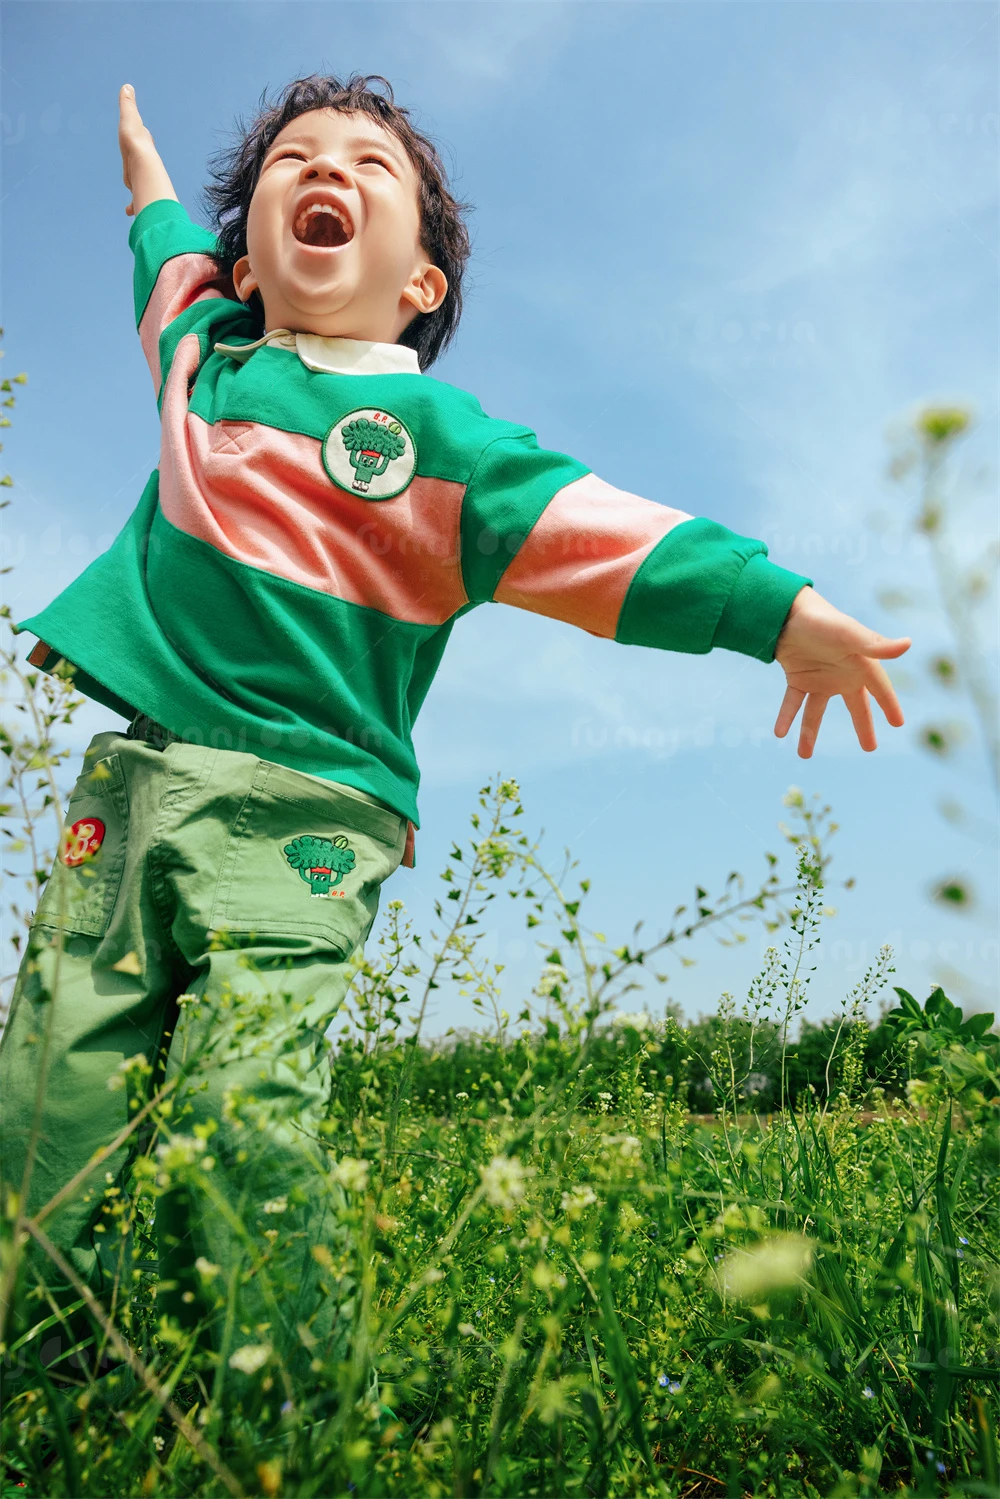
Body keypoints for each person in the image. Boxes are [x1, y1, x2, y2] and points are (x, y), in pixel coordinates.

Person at [1, 74, 910, 1373]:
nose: (326, 170)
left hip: (305, 813)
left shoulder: (439, 441)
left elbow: (609, 536)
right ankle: (43, 1391)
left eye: (370, 166)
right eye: (291, 161)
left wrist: (781, 609)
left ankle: (280, 1415)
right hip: (132, 788)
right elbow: (160, 238)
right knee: (47, 1102)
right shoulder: (197, 356)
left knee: (238, 1106)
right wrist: (145, 171)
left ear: (420, 282)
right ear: (243, 260)